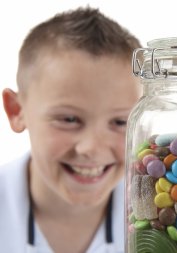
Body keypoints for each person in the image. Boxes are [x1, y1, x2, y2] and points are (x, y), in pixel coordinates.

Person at [0, 7, 142, 253]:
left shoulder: (163, 215)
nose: (92, 149)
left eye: (120, 122)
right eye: (68, 119)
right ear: (16, 111)